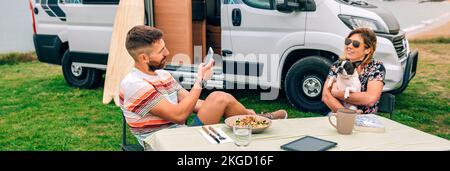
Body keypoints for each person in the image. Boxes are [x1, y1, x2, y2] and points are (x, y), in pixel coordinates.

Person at [119, 25, 288, 146]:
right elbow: (178, 115)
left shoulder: (163, 75)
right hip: (164, 143)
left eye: (165, 47)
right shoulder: (135, 85)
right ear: (143, 58)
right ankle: (258, 119)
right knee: (218, 98)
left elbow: (195, 104)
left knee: (219, 98)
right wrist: (200, 81)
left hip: (180, 133)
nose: (167, 53)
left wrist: (219, 101)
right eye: (161, 51)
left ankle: (256, 118)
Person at [322, 27, 386, 114]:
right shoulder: (338, 64)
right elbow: (326, 96)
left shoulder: (376, 67)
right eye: (347, 42)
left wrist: (336, 93)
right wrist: (347, 115)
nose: (349, 46)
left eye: (355, 44)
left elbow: (370, 99)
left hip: (365, 119)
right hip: (339, 114)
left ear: (367, 50)